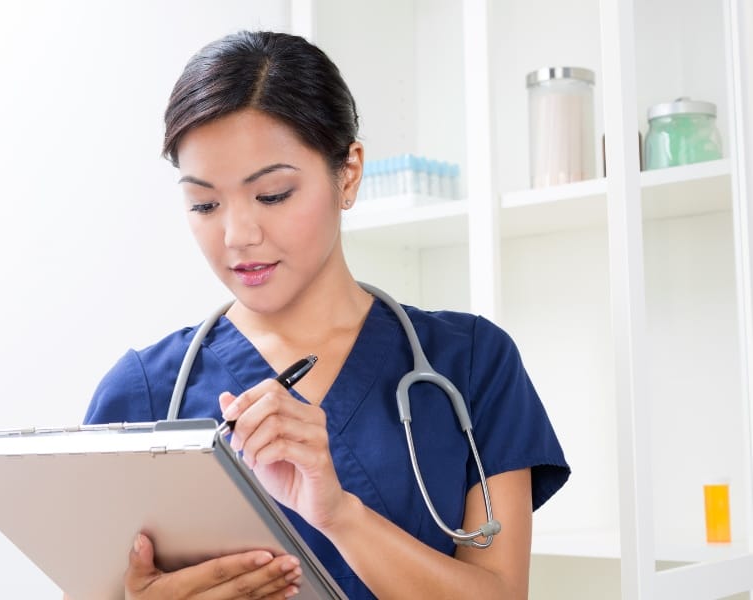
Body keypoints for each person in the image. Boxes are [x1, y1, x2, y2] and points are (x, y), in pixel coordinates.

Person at [82, 30, 570, 600]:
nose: (238, 235)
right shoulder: (142, 395)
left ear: (349, 174)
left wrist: (339, 514)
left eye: (273, 194)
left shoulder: (470, 364)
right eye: (205, 204)